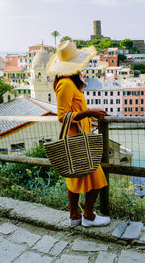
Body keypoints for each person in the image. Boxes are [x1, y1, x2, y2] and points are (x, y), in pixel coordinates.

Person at [46, 40, 110, 228]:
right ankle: (88, 216)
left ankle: (74, 217)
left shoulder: (68, 82)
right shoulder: (65, 84)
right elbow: (62, 116)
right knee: (98, 180)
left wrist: (87, 115)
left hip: (77, 138)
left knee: (74, 179)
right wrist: (90, 113)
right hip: (76, 139)